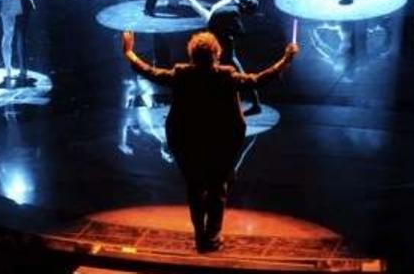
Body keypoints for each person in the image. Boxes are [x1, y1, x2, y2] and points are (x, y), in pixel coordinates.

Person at [122, 30, 298, 252]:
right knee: (217, 189)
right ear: (217, 53)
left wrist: (129, 52)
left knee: (195, 188)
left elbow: (149, 71)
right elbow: (259, 79)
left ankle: (200, 235)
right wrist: (286, 59)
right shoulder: (226, 76)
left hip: (187, 140)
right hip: (221, 142)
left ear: (191, 54)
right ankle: (212, 236)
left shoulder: (182, 75)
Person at [184, 0, 262, 113]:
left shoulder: (229, 0)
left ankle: (252, 103)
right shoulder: (233, 11)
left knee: (223, 72)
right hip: (221, 42)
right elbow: (241, 33)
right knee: (237, 73)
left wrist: (227, 30)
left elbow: (213, 17)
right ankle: (253, 104)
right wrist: (229, 30)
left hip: (220, 41)